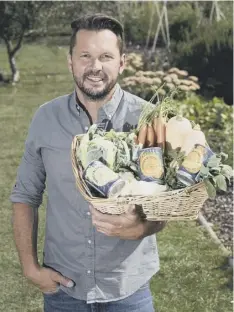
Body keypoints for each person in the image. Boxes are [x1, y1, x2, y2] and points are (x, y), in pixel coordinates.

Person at [10, 14, 166, 312]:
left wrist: (143, 227)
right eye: (85, 56)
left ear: (122, 62)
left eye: (105, 56)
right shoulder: (46, 118)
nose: (95, 67)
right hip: (64, 291)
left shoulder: (147, 119)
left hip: (127, 290)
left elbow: (164, 200)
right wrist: (30, 269)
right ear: (70, 61)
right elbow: (25, 195)